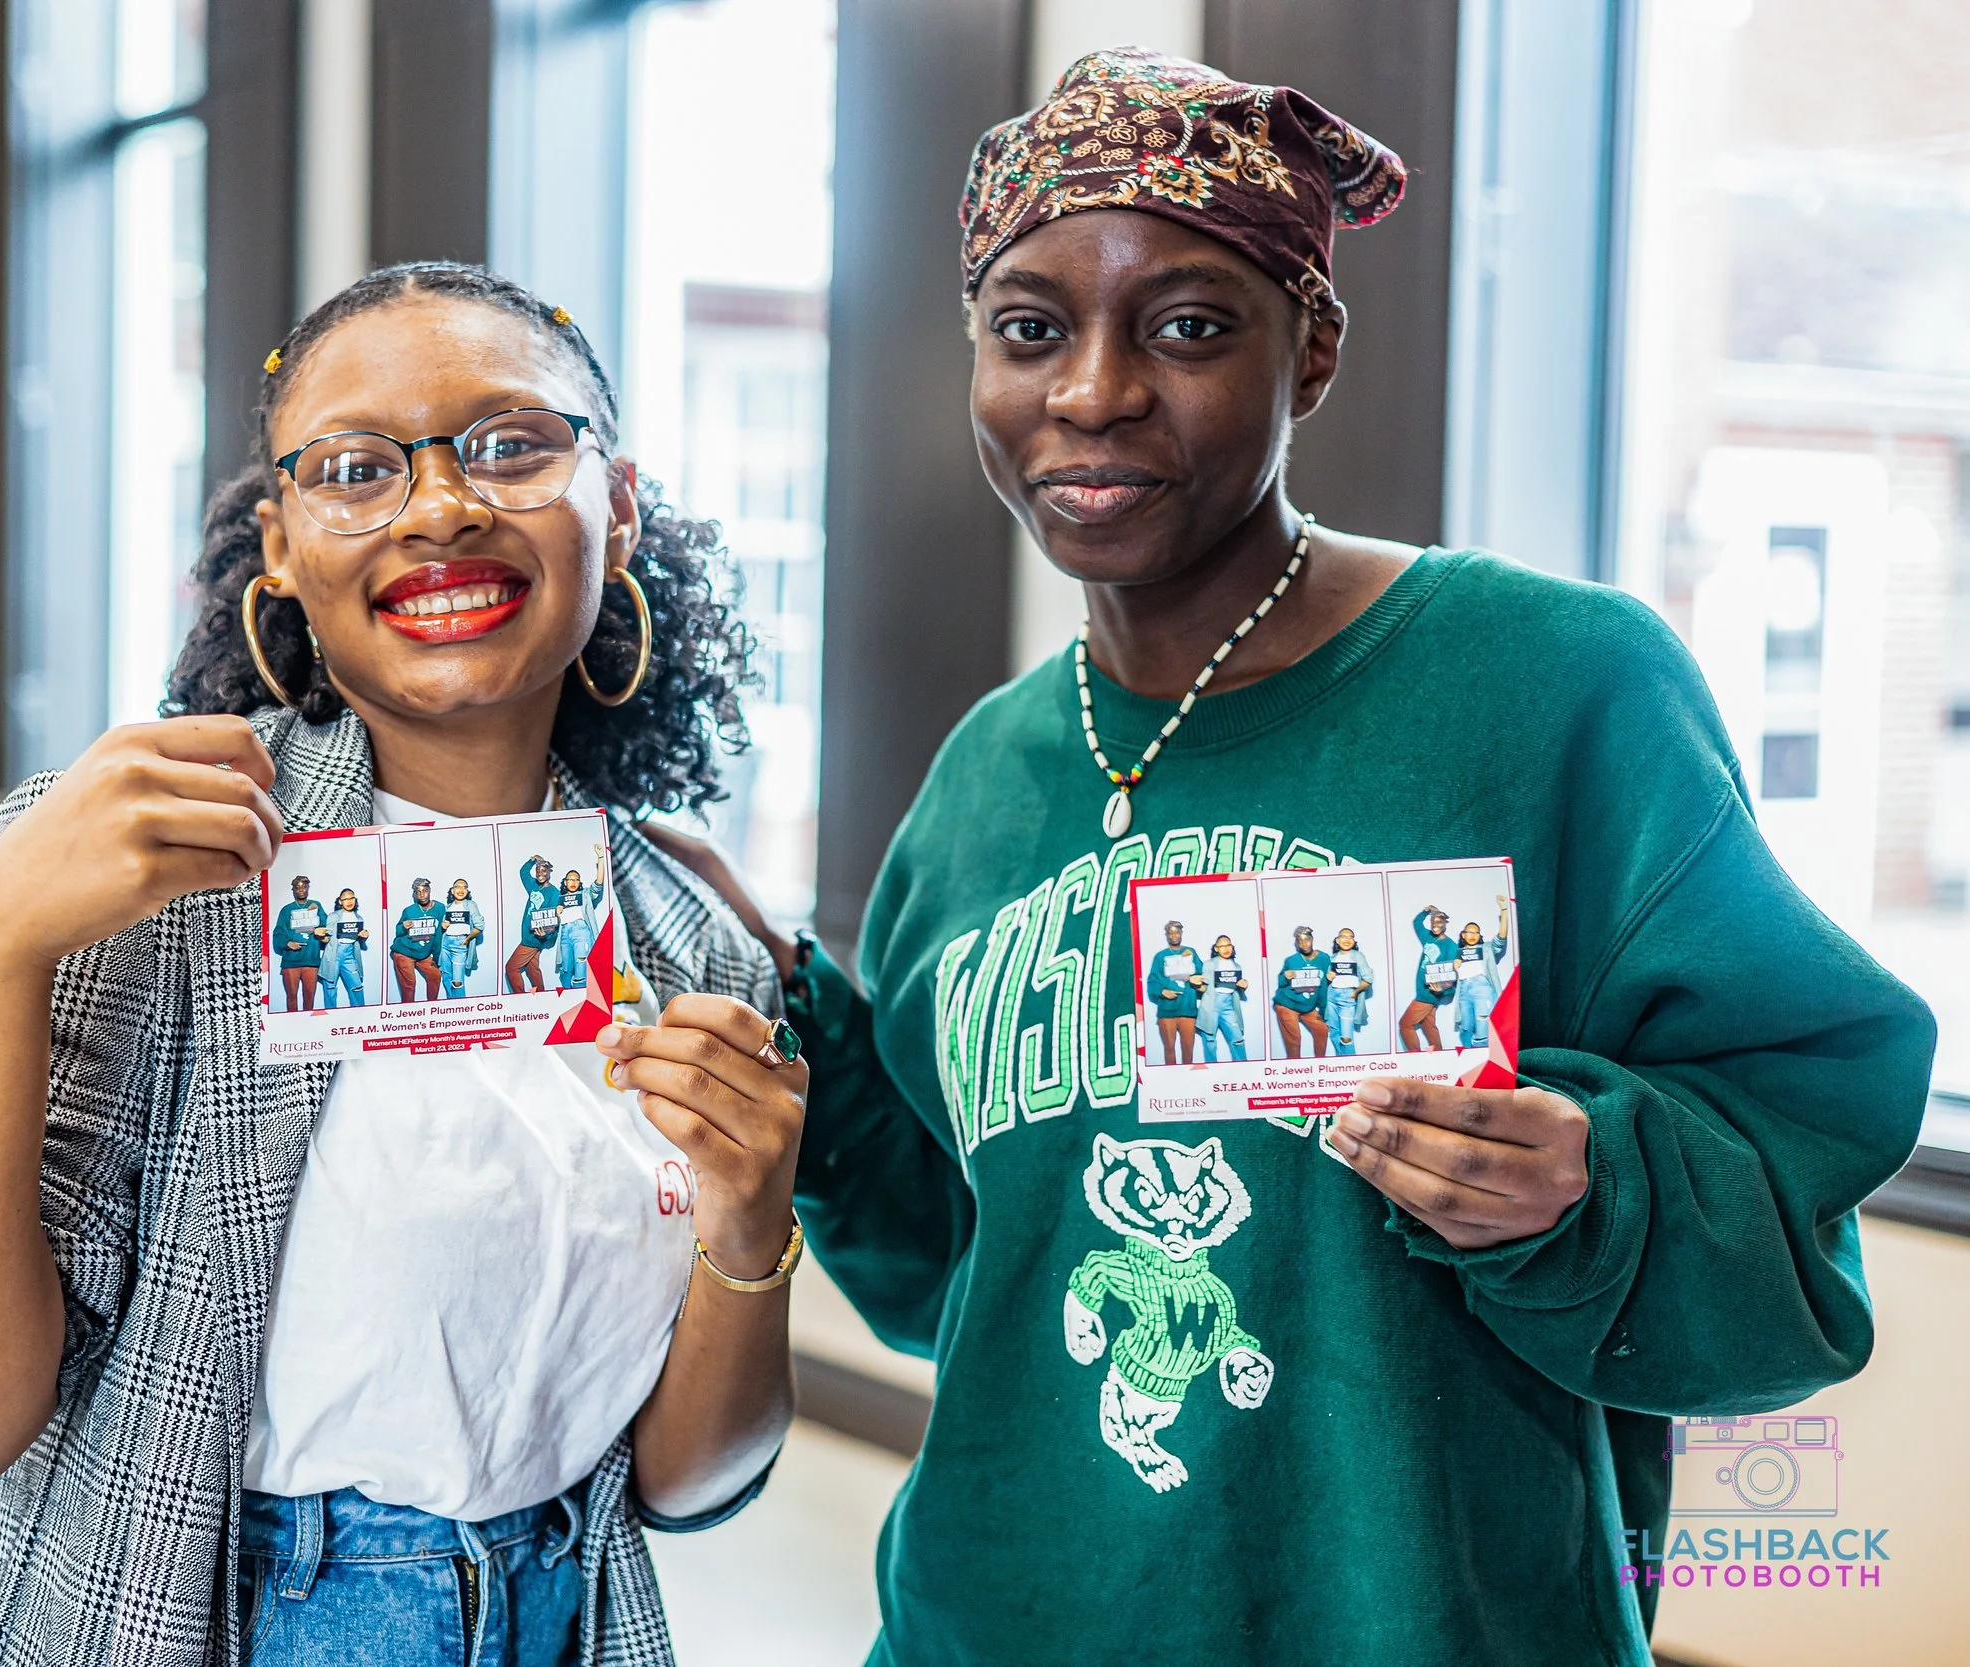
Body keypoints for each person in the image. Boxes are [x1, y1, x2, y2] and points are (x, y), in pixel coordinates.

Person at [632, 48, 1930, 1667]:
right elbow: (965, 1273)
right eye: (1030, 327)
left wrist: (1581, 1176)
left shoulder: (1550, 690)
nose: (1093, 390)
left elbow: (1793, 1200)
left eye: (1187, 326)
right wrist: (786, 1017)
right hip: (988, 1622)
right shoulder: (987, 776)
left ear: (1311, 350)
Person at [0, 262, 810, 1667]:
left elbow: (685, 1482)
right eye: (357, 467)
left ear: (619, 501)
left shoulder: (691, 943)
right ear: (283, 541)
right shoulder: (152, 872)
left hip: (567, 1625)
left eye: (512, 444)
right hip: (219, 1615)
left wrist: (748, 1228)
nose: (441, 505)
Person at [1449, 896, 1512, 1048]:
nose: (1472, 934)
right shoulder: (1458, 952)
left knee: (1483, 1021)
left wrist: (1504, 910)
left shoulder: (1487, 948)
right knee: (1466, 1026)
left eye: (1476, 932)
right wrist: (1454, 966)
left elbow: (1501, 937)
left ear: (1480, 935)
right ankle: (1468, 1055)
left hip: (1482, 988)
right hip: (1464, 991)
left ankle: (1482, 1054)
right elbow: (1448, 978)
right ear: (1463, 935)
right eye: (1469, 932)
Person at [1143, 920, 1203, 1063]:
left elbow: (1202, 974)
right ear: (1166, 935)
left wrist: (1197, 981)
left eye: (1177, 932)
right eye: (1170, 932)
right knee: (1169, 1049)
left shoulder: (1191, 952)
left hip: (1188, 1009)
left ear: (1181, 933)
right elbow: (1152, 980)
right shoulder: (1160, 956)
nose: (1174, 935)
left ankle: (1187, 1079)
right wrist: (1162, 991)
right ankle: (1171, 1079)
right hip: (1167, 1011)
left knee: (1188, 1050)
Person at [1399, 904, 1457, 1051]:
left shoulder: (1451, 946)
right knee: (1428, 1025)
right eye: (1432, 923)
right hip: (1423, 991)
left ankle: (1415, 1056)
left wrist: (1442, 988)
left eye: (1438, 922)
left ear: (1445, 923)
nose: (1434, 926)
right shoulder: (1428, 938)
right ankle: (1438, 1053)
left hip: (1429, 994)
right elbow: (1416, 923)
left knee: (1405, 1025)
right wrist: (1425, 911)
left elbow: (1451, 974)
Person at [1272, 925, 1330, 1058]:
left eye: (1307, 939)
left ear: (1312, 939)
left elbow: (1324, 986)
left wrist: (1323, 1009)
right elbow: (1281, 983)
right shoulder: (1291, 960)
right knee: (1294, 1039)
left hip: (1307, 1007)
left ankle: (1320, 1064)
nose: (1304, 944)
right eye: (1300, 941)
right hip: (1287, 1004)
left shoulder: (1324, 958)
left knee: (1322, 1030)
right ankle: (1295, 1069)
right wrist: (1285, 977)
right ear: (1297, 943)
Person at [273, 875, 328, 1013]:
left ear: (308, 888)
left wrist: (318, 912)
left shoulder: (316, 905)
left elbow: (327, 926)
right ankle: (293, 1025)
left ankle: (307, 1026)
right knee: (291, 997)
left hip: (311, 961)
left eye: (304, 886)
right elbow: (277, 934)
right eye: (297, 887)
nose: (301, 890)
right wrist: (287, 943)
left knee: (309, 998)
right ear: (293, 890)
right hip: (291, 962)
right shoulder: (286, 910)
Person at [554, 851, 607, 991]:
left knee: (581, 965)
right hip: (565, 935)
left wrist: (600, 858)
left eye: (576, 879)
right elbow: (552, 925)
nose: (573, 882)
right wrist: (557, 914)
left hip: (581, 933)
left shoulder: (585, 894)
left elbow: (598, 883)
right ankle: (568, 994)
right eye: (570, 879)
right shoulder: (559, 899)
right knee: (566, 968)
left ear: (579, 882)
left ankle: (581, 996)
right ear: (565, 882)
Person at [507, 854, 558, 993]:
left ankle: (520, 997)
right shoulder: (534, 886)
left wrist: (545, 934)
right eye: (537, 871)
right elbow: (523, 872)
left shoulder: (554, 892)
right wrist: (532, 860)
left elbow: (553, 919)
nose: (540, 874)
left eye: (543, 871)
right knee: (532, 970)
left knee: (511, 968)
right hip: (528, 935)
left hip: (533, 938)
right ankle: (541, 997)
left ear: (549, 872)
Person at [391, 876, 447, 1002]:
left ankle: (431, 1007)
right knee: (409, 985)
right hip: (404, 952)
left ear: (430, 890)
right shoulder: (409, 910)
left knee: (435, 975)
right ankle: (409, 1014)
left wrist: (437, 957)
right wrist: (403, 927)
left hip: (423, 953)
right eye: (418, 892)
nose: (422, 895)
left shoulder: (440, 908)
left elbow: (438, 934)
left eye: (424, 890)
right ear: (415, 894)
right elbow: (398, 931)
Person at [1322, 926, 1376, 1056]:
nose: (1347, 939)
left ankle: (1351, 1064)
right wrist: (1327, 976)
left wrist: (1356, 992)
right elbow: (1327, 977)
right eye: (1344, 936)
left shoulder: (1357, 956)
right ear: (1337, 940)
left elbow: (1369, 978)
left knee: (1346, 1038)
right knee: (1334, 1031)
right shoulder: (1332, 958)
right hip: (1331, 999)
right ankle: (1342, 1062)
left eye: (1351, 937)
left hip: (1348, 999)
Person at [1198, 933, 1250, 1062]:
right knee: (1209, 1040)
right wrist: (1196, 983)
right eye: (1221, 946)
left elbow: (1237, 988)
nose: (1225, 948)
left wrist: (1243, 985)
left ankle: (1243, 1067)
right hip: (1211, 1004)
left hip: (1228, 1004)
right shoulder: (1208, 964)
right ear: (1216, 949)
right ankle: (1212, 1068)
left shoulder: (1237, 967)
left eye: (1228, 945)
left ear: (1232, 947)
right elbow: (1201, 987)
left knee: (1237, 1038)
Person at [438, 876, 488, 999]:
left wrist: (467, 939)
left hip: (460, 945)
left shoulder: (470, 905)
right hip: (445, 944)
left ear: (467, 891)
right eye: (458, 887)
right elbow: (443, 927)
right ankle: (451, 1004)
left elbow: (480, 926)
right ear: (452, 890)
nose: (461, 890)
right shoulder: (447, 907)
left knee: (457, 982)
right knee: (446, 976)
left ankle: (460, 1007)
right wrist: (442, 926)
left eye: (464, 887)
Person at [326, 886, 368, 1007]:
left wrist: (364, 936)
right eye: (345, 899)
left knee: (356, 986)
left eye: (352, 898)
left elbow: (360, 941)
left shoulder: (359, 918)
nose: (349, 902)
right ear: (340, 901)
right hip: (334, 953)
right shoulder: (333, 916)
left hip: (350, 954)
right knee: (330, 987)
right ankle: (330, 1015)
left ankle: (360, 1013)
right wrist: (320, 935)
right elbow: (326, 938)